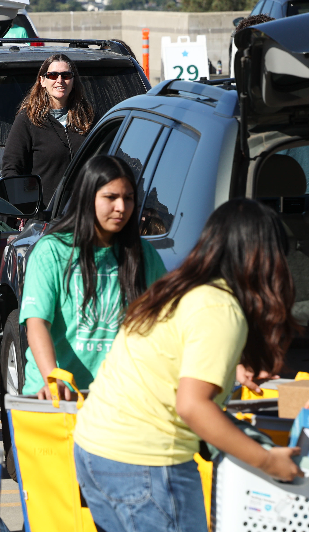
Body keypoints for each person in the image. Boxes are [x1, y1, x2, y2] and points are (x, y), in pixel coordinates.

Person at [74, 199, 303, 532]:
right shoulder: (220, 307)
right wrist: (267, 461)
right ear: (262, 259)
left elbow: (168, 358)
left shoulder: (176, 289)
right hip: (145, 462)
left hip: (95, 449)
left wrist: (234, 366)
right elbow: (193, 406)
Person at [20, 155, 166, 400]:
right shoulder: (52, 251)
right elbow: (37, 323)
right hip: (58, 400)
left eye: (128, 198)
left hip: (119, 399)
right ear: (88, 198)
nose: (121, 207)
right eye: (111, 197)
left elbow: (168, 322)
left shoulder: (144, 254)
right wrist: (52, 378)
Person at [2, 54, 94, 202]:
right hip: (44, 211)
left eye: (66, 75)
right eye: (53, 75)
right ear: (42, 81)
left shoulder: (88, 118)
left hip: (83, 208)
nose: (60, 80)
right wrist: (23, 204)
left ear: (73, 80)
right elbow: (11, 168)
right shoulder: (28, 119)